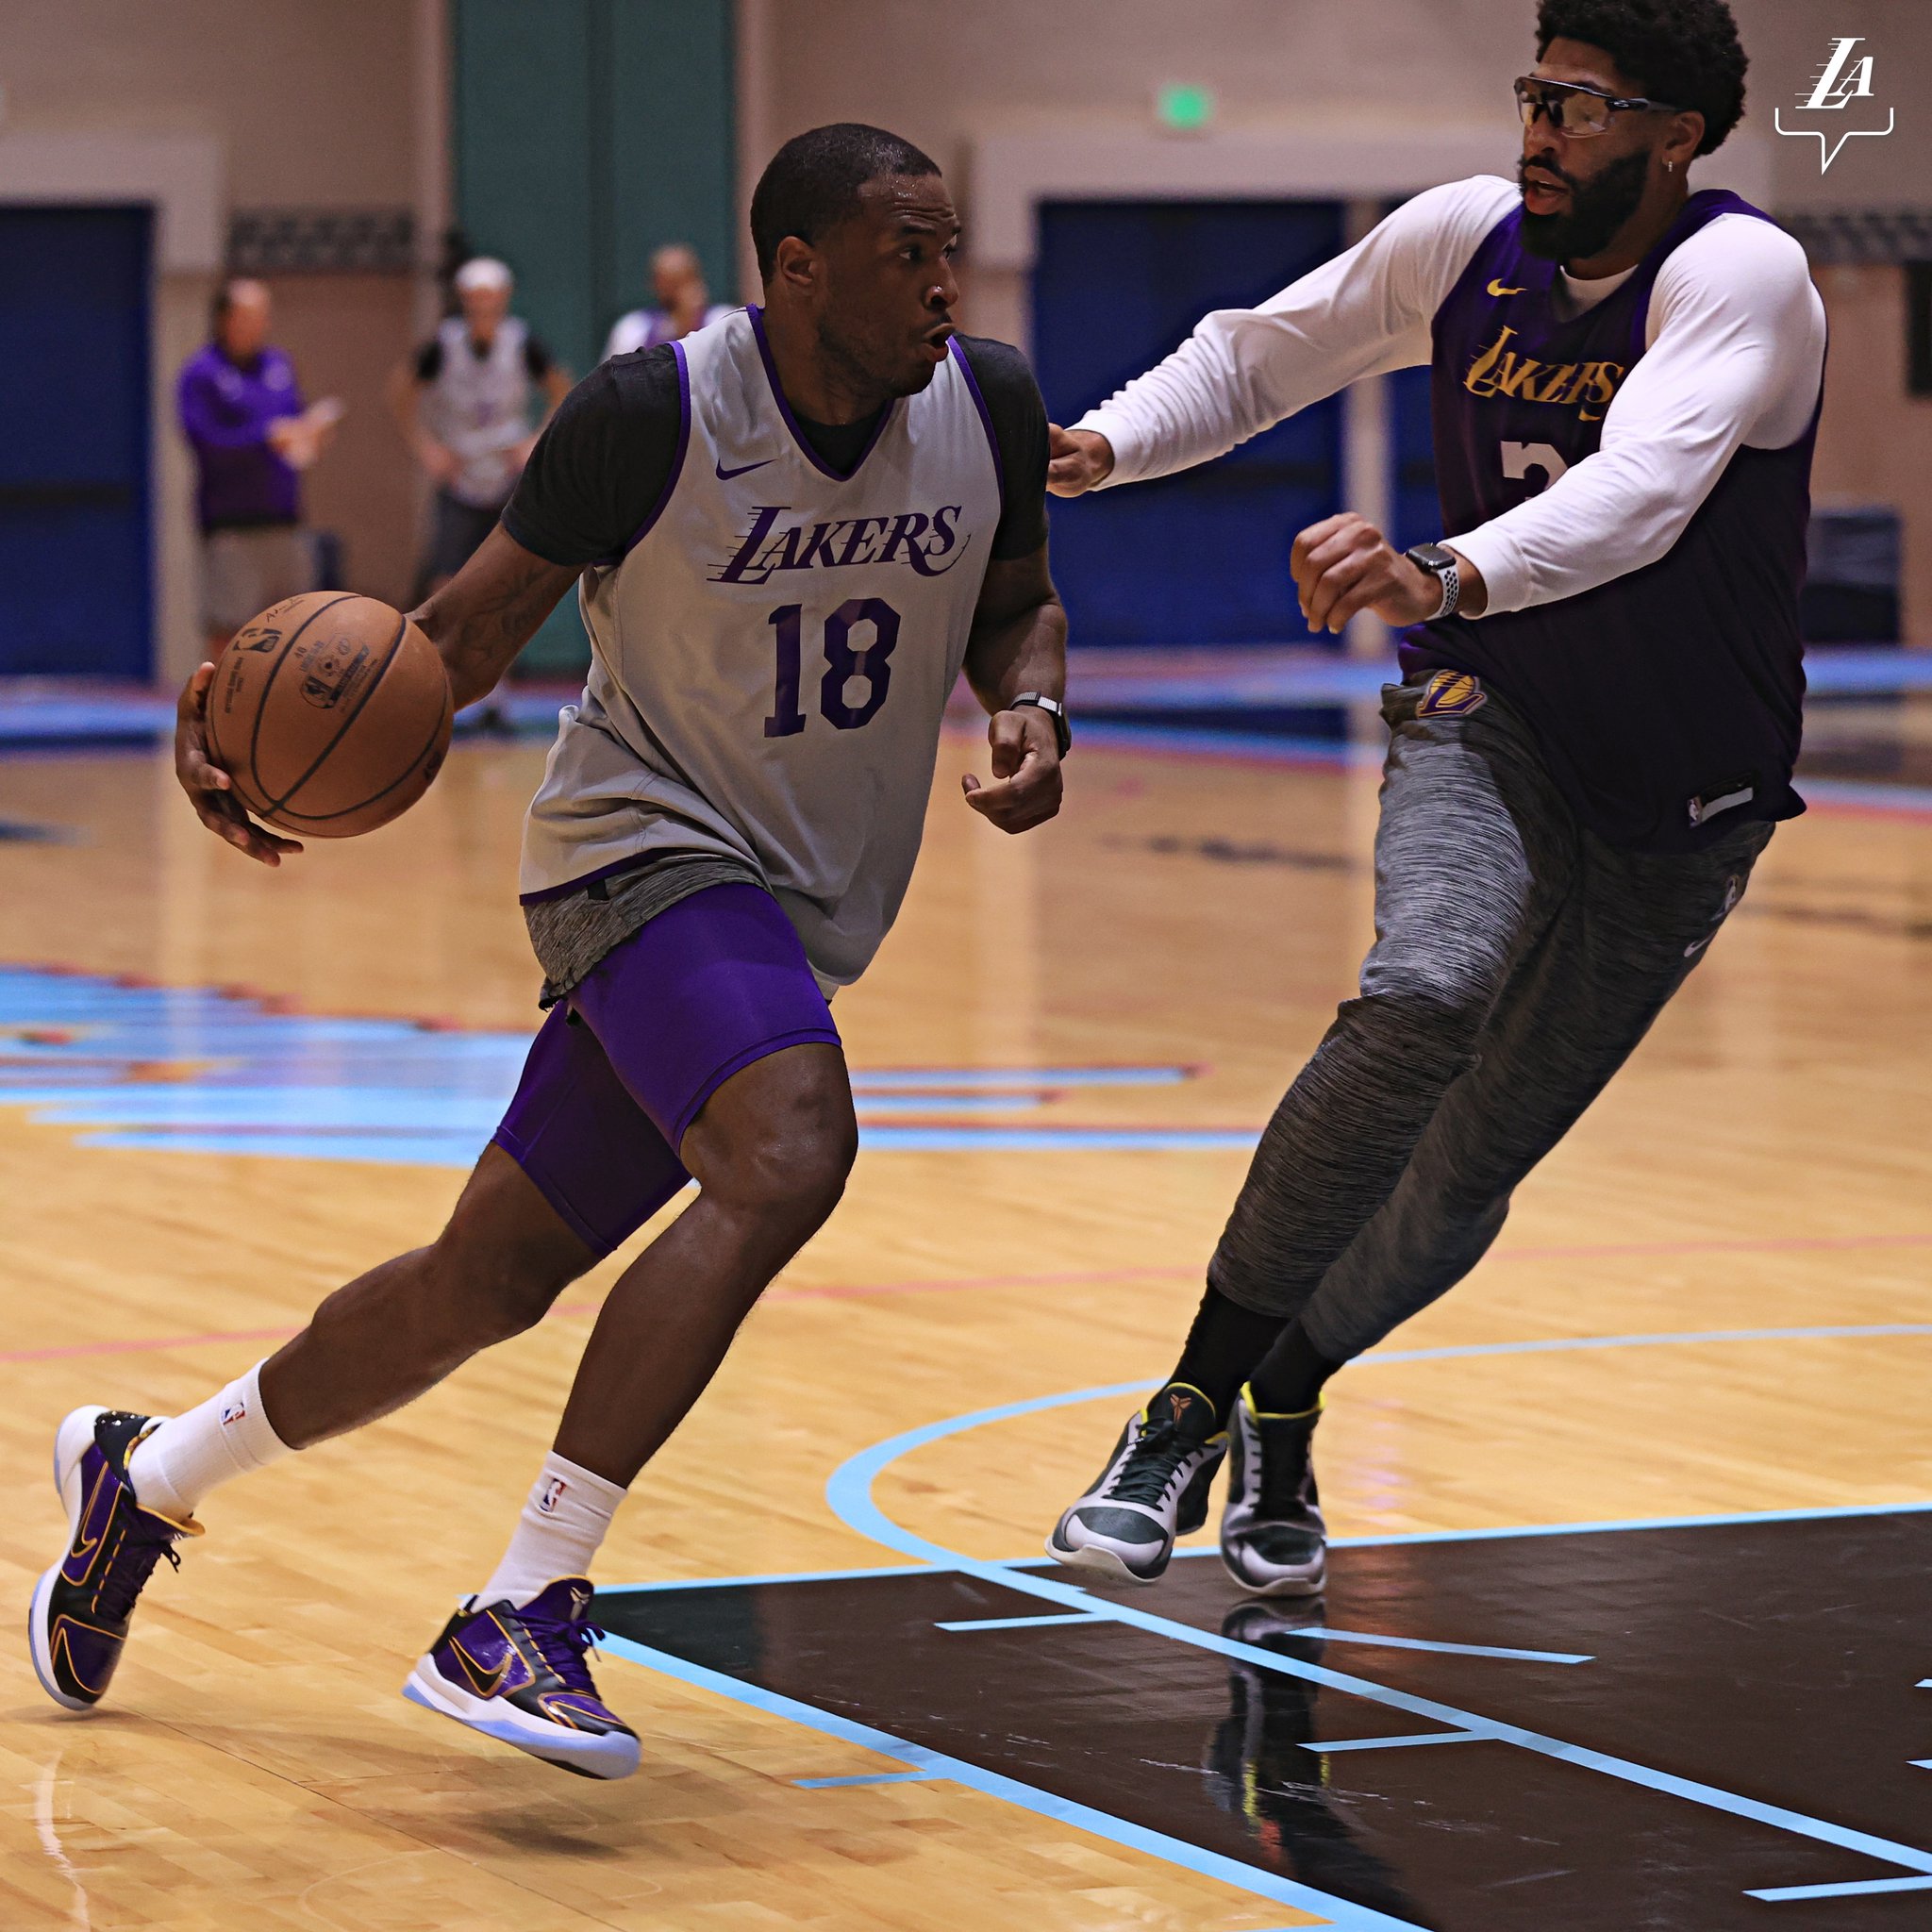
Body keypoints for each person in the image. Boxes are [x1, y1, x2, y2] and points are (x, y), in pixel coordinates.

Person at [33, 124, 1064, 1784]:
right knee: (790, 1147)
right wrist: (235, 726)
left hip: (796, 904)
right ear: (798, 270)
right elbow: (454, 641)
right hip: (640, 851)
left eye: (951, 248)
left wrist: (1034, 703)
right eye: (909, 252)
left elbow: (1017, 600)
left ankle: (143, 1479)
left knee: (482, 1282)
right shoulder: (655, 413)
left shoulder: (987, 402)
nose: (946, 282)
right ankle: (522, 1601)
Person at [1044, 0, 1823, 1594]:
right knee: (1423, 991)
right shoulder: (1462, 239)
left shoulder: (1740, 275)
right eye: (1534, 93)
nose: (1539, 130)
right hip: (1493, 711)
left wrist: (1442, 564)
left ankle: (1287, 1389)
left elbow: (1643, 487)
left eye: (1582, 106)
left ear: (1674, 137)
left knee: (1470, 1165)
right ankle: (1186, 1404)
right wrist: (1103, 446)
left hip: (1688, 786)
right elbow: (1259, 355)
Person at [389, 257, 572, 599]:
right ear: (464, 298)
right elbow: (401, 390)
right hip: (460, 474)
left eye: (490, 296)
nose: (483, 305)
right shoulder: (445, 343)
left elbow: (561, 388)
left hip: (509, 474)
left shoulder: (521, 341)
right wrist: (426, 447)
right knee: (444, 577)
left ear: (504, 296)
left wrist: (536, 441)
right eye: (476, 297)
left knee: (513, 576)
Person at [176, 279, 341, 655]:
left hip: (284, 517)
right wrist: (264, 438)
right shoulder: (201, 373)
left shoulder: (279, 364)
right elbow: (205, 442)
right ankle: (222, 694)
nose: (258, 325)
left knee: (297, 629)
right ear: (224, 319)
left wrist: (310, 435)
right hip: (232, 523)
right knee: (231, 628)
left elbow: (293, 421)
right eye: (248, 316)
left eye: (263, 316)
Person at [604, 242, 734, 359]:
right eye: (669, 283)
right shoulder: (633, 328)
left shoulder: (722, 320)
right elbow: (614, 376)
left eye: (683, 280)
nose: (677, 291)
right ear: (654, 284)